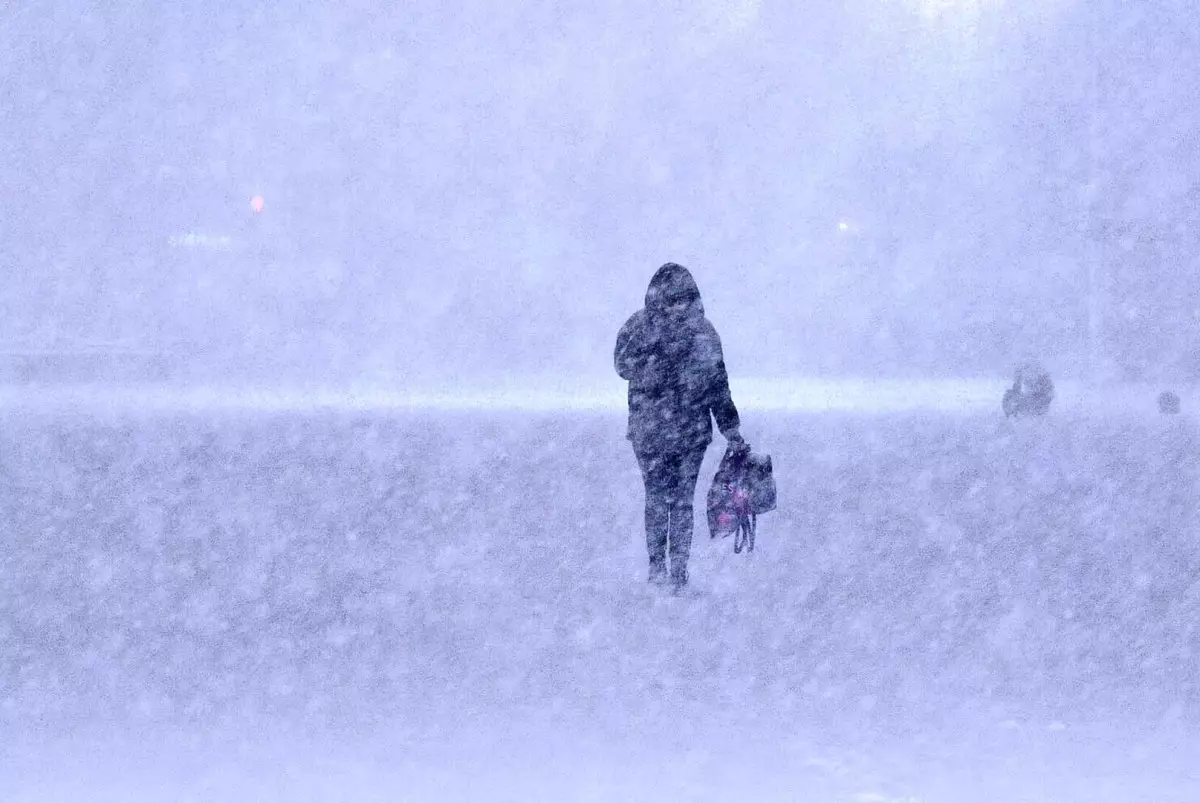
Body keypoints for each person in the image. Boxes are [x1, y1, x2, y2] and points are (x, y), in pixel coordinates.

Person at [614, 263, 742, 589]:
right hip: (661, 431)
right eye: (674, 299)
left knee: (677, 501)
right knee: (663, 499)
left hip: (673, 431)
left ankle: (676, 570)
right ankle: (661, 567)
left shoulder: (650, 328)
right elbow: (623, 367)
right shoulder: (692, 331)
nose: (678, 306)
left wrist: (731, 428)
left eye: (683, 299)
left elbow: (718, 383)